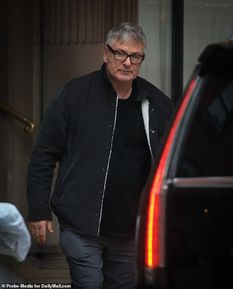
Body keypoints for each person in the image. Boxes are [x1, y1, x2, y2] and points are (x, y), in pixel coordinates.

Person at [27, 23, 174, 289]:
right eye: (120, 53)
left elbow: (170, 165)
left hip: (130, 231)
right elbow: (44, 155)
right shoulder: (74, 95)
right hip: (80, 224)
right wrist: (39, 210)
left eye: (136, 56)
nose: (127, 62)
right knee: (89, 283)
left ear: (142, 59)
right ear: (105, 54)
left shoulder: (157, 104)